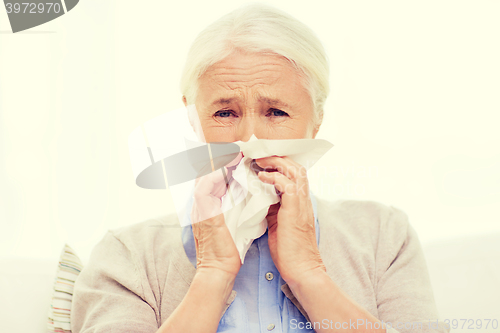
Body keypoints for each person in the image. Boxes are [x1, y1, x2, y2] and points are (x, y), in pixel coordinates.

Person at [71, 4, 449, 333]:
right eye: (224, 112)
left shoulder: (384, 237)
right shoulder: (126, 257)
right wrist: (213, 276)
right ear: (191, 120)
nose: (249, 139)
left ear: (316, 121)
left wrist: (309, 275)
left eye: (276, 112)